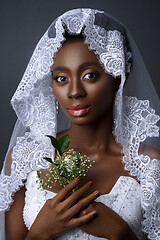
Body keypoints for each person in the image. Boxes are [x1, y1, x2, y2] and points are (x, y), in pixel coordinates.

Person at [0, 8, 160, 240]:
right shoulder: (24, 160)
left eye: (90, 75)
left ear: (118, 78)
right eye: (61, 79)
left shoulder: (150, 167)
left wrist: (121, 233)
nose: (74, 92)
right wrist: (39, 233)